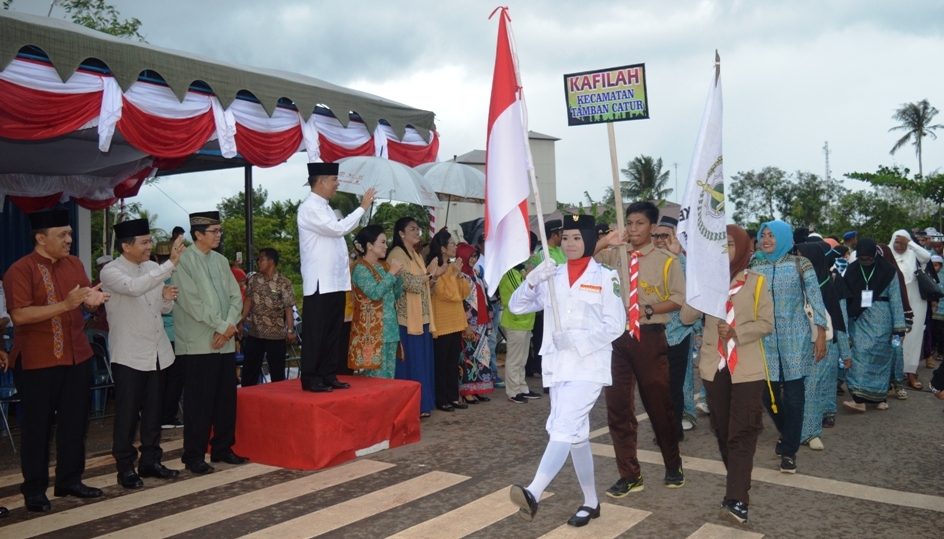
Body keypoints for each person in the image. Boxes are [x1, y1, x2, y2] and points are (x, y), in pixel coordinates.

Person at [508, 214, 625, 528]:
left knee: (562, 427)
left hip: (588, 365)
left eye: (577, 237)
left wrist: (577, 340)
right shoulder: (553, 274)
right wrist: (532, 280)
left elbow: (616, 325)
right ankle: (591, 501)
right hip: (558, 366)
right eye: (567, 237)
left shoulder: (605, 276)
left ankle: (533, 492)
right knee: (575, 437)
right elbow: (516, 307)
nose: (571, 243)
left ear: (588, 239)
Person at [2, 208, 109, 512]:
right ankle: (35, 490)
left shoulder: (74, 263)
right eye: (62, 235)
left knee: (75, 422)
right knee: (38, 427)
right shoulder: (19, 270)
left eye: (70, 234)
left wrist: (90, 304)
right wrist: (66, 304)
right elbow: (20, 315)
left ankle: (69, 481)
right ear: (40, 238)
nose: (69, 240)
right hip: (37, 359)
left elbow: (82, 302)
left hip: (77, 355)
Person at [681, 224, 773, 525]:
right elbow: (685, 317)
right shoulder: (709, 283)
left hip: (746, 367)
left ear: (744, 248)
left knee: (742, 432)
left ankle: (736, 499)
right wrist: (699, 287)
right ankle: (737, 483)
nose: (725, 250)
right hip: (714, 366)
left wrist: (737, 332)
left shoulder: (757, 282)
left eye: (731, 244)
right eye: (721, 245)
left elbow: (766, 323)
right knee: (722, 431)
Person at [595, 201, 686, 495]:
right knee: (618, 408)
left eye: (639, 224)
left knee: (658, 404)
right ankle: (630, 473)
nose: (633, 229)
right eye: (629, 223)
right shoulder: (614, 255)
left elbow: (679, 298)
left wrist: (648, 310)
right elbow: (586, 256)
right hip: (616, 339)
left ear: (652, 227)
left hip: (648, 337)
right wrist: (606, 241)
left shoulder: (666, 260)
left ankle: (673, 464)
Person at [101, 219, 184, 488]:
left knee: (153, 412)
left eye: (149, 241)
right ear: (126, 246)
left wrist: (167, 297)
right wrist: (169, 265)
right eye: (144, 242)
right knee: (127, 414)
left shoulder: (151, 268)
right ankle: (125, 466)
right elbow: (135, 288)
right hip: (129, 354)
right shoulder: (111, 272)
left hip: (157, 350)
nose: (150, 247)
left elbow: (161, 308)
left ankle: (150, 460)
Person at [750, 220, 828, 474]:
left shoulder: (800, 264)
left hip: (796, 339)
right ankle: (788, 433)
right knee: (767, 395)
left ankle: (789, 451)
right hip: (765, 340)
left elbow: (816, 299)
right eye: (764, 235)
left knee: (795, 398)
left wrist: (820, 334)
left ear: (784, 237)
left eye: (772, 235)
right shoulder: (755, 265)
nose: (767, 240)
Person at [172, 211, 247, 474]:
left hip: (223, 342)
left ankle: (223, 448)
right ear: (198, 234)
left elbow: (235, 296)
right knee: (199, 402)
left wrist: (227, 328)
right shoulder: (183, 261)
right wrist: (222, 326)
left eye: (219, 230)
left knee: (226, 399)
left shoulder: (220, 260)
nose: (219, 235)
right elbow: (191, 302)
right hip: (198, 343)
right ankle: (193, 455)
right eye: (214, 231)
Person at [297, 162, 377, 392]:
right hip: (319, 282)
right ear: (320, 181)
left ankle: (328, 374)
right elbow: (337, 229)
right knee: (316, 333)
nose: (337, 184)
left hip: (335, 282)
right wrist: (362, 207)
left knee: (333, 332)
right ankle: (312, 377)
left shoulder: (325, 207)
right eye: (334, 179)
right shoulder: (310, 207)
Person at [795, 241, 852, 450]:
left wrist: (845, 353)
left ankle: (810, 433)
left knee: (812, 388)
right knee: (796, 390)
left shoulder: (828, 285)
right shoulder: (795, 283)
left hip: (821, 345)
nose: (798, 262)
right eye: (797, 256)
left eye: (802, 258)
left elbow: (839, 321)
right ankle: (795, 430)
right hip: (796, 344)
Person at [842, 239, 906, 412]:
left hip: (884, 319)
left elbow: (896, 299)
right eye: (861, 257)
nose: (865, 260)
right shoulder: (853, 270)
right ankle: (859, 400)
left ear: (875, 254)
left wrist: (899, 327)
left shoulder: (888, 271)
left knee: (881, 360)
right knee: (860, 356)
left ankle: (881, 399)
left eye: (868, 257)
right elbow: (846, 297)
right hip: (860, 320)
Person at [388, 217, 443, 418]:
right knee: (411, 361)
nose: (417, 232)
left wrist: (435, 276)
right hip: (406, 318)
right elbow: (407, 283)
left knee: (423, 361)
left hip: (422, 316)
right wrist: (428, 276)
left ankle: (423, 404)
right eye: (412, 229)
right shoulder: (396, 253)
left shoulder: (416, 254)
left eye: (418, 228)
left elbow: (425, 286)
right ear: (401, 233)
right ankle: (410, 406)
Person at [652, 215, 700, 437]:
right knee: (657, 384)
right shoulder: (649, 261)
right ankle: (665, 426)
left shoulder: (683, 262)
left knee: (677, 383)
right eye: (656, 236)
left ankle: (677, 425)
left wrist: (677, 254)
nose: (660, 240)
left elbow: (695, 295)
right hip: (653, 331)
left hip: (679, 331)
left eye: (665, 235)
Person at [348, 226, 403, 379]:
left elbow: (395, 295)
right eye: (383, 242)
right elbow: (375, 294)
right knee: (376, 380)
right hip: (372, 332)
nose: (386, 246)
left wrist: (398, 277)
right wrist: (392, 274)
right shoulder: (361, 269)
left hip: (390, 329)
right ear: (370, 246)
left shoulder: (385, 266)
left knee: (389, 377)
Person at [428, 230, 471, 412]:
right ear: (443, 248)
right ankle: (441, 398)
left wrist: (459, 275)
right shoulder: (434, 266)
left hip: (455, 320)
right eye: (452, 244)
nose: (455, 247)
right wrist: (453, 276)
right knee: (441, 363)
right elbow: (447, 294)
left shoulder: (452, 267)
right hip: (442, 321)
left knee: (453, 362)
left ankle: (454, 396)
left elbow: (463, 293)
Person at [240, 248, 297, 386]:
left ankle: (278, 403)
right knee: (249, 373)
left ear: (271, 262)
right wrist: (240, 322)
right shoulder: (254, 280)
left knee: (277, 375)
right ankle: (247, 402)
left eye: (261, 259)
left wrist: (290, 330)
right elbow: (248, 301)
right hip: (255, 333)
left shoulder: (283, 283)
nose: (258, 262)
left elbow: (288, 308)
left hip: (276, 335)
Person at [890, 229, 931, 390]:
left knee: (913, 337)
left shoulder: (915, 255)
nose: (900, 246)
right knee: (895, 336)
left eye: (903, 242)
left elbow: (927, 257)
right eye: (897, 242)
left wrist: (911, 243)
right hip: (895, 300)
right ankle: (893, 375)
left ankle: (911, 373)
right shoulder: (888, 256)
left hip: (916, 301)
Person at [527, 220, 566, 379]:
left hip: (562, 304)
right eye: (561, 233)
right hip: (549, 305)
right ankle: (547, 376)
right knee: (547, 341)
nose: (563, 236)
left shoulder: (561, 251)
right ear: (554, 234)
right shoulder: (544, 254)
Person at [152, 241, 185, 429]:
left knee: (161, 379)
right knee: (174, 378)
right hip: (175, 334)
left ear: (156, 257)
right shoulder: (176, 275)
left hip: (159, 333)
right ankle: (167, 416)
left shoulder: (153, 276)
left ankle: (160, 416)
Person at [456, 242, 494, 403]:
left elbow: (484, 297)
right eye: (470, 256)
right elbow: (460, 302)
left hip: (482, 321)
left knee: (482, 356)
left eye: (475, 256)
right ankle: (467, 391)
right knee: (468, 357)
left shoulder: (476, 274)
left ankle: (479, 388)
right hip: (469, 322)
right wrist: (466, 324)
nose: (473, 259)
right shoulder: (459, 276)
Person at [499, 262, 539, 404]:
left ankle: (522, 388)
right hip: (514, 322)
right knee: (514, 359)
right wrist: (529, 278)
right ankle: (513, 391)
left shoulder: (519, 271)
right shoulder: (509, 273)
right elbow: (522, 293)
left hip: (526, 321)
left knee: (522, 359)